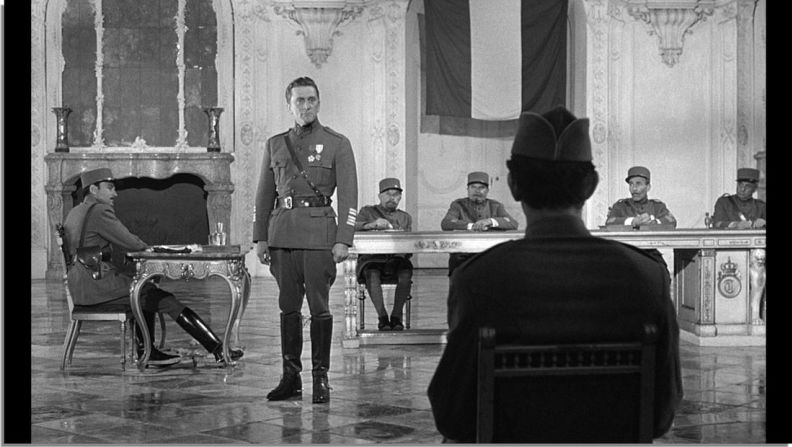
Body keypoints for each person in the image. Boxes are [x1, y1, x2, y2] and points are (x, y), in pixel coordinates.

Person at [427, 106, 683, 442]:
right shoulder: (647, 277)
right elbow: (662, 412)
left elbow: (452, 414)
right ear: (590, 185)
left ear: (515, 186)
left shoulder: (476, 279)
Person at [63, 168, 243, 367]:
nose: (115, 194)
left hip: (81, 284)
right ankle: (218, 350)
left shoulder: (76, 210)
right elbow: (131, 242)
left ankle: (148, 351)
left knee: (145, 288)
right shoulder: (99, 211)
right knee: (163, 299)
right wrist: (149, 248)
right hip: (96, 286)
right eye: (110, 188)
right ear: (94, 189)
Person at [253, 76, 358, 404]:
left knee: (319, 308)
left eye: (311, 100)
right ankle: (290, 378)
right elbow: (263, 195)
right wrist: (260, 238)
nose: (306, 106)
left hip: (319, 236)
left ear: (319, 102)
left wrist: (344, 238)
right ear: (289, 105)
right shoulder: (275, 144)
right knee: (287, 308)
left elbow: (350, 196)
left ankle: (321, 379)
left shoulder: (337, 143)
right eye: (300, 100)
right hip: (282, 235)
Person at [354, 178, 414, 331]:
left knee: (406, 273)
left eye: (395, 195)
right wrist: (371, 225)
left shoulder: (405, 217)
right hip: (372, 258)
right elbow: (354, 226)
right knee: (372, 273)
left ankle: (396, 316)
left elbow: (409, 243)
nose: (392, 198)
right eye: (388, 194)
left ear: (400, 197)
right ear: (380, 196)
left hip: (396, 258)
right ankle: (382, 317)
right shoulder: (368, 211)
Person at [440, 171, 518, 275]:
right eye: (473, 187)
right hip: (463, 253)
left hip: (489, 252)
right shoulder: (458, 204)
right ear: (467, 189)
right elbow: (446, 223)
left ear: (487, 190)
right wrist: (472, 226)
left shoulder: (496, 205)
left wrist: (490, 221)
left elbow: (513, 223)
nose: (477, 191)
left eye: (481, 187)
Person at [606, 166, 677, 228]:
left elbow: (671, 221)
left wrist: (653, 222)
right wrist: (632, 221)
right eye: (631, 184)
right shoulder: (620, 206)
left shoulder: (657, 206)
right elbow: (609, 222)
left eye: (638, 184)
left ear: (648, 187)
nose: (634, 188)